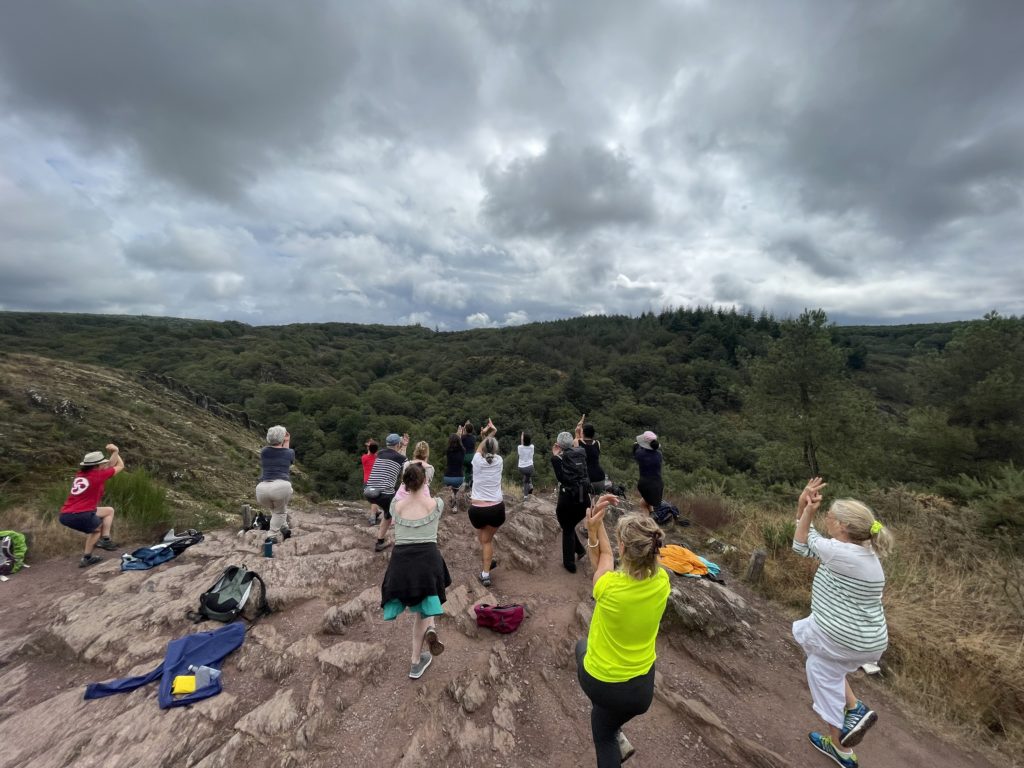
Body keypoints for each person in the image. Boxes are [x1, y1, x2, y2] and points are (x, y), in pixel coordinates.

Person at [793, 478, 893, 768]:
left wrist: (806, 510)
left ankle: (840, 748)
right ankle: (854, 707)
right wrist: (803, 507)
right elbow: (803, 546)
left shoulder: (839, 552)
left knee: (819, 671)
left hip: (840, 637)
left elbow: (801, 541)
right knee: (829, 669)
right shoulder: (861, 552)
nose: (827, 518)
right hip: (866, 640)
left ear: (844, 527)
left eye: (831, 516)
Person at [576, 495, 671, 767]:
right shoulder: (662, 582)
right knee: (607, 719)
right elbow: (606, 557)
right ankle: (614, 727)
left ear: (624, 549)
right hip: (641, 690)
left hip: (604, 682)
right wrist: (598, 529)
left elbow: (603, 557)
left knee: (581, 648)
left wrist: (595, 526)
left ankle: (611, 732)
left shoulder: (608, 589)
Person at [380, 463, 451, 679]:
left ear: (405, 483)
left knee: (423, 608)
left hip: (401, 564)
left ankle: (429, 628)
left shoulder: (396, 506)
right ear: (426, 481)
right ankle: (415, 662)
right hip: (428, 565)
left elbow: (398, 496)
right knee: (423, 609)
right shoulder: (436, 504)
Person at [59, 444, 124, 567]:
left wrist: (114, 453)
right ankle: (102, 543)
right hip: (80, 514)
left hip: (66, 514)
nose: (105, 465)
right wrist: (116, 451)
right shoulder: (98, 475)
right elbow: (119, 466)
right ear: (97, 466)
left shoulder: (82, 474)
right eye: (102, 464)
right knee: (96, 531)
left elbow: (109, 465)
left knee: (108, 511)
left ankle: (95, 550)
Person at [469, 419, 504, 587]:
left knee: (484, 539)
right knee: (487, 540)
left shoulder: (477, 461)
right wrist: (492, 434)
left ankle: (487, 566)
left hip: (476, 510)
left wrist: (488, 434)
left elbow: (480, 448)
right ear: (496, 449)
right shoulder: (499, 461)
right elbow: (487, 449)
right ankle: (486, 572)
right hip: (496, 509)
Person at [551, 431, 589, 572]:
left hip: (568, 499)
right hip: (583, 499)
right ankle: (579, 550)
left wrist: (555, 455)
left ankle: (569, 564)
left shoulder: (557, 459)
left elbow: (561, 478)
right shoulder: (581, 454)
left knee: (567, 528)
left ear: (558, 445)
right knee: (569, 525)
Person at [369, 433, 410, 552]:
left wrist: (402, 445)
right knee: (395, 512)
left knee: (388, 512)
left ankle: (380, 540)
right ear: (398, 444)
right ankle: (383, 542)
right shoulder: (401, 458)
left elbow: (394, 455)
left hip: (368, 491)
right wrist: (404, 446)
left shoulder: (380, 453)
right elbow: (406, 466)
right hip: (384, 492)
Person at [256, 426, 294, 541]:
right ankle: (272, 535)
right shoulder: (290, 453)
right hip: (281, 487)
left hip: (262, 489)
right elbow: (285, 454)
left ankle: (284, 528)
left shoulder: (264, 452)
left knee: (277, 508)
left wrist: (284, 440)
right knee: (280, 511)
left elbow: (280, 451)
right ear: (282, 439)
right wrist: (287, 441)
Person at [632, 431, 662, 516]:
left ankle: (647, 523)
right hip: (658, 484)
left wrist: (636, 446)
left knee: (643, 504)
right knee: (647, 501)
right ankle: (652, 514)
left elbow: (636, 452)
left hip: (646, 484)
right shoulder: (659, 455)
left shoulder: (640, 454)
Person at [579, 420, 609, 494]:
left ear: (583, 433)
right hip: (600, 478)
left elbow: (577, 440)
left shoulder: (578, 443)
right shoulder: (597, 443)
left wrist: (577, 430)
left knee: (585, 502)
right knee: (593, 501)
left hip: (587, 478)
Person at [442, 431, 466, 511]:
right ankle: (455, 499)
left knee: (453, 487)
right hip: (459, 477)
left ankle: (453, 497)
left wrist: (458, 433)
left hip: (447, 477)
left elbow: (453, 444)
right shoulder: (463, 451)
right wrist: (460, 434)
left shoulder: (448, 451)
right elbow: (460, 444)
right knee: (461, 484)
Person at [362, 439, 380, 525]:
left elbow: (370, 453)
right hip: (377, 480)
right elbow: (375, 453)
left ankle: (373, 517)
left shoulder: (364, 458)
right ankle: (376, 512)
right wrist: (372, 446)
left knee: (373, 499)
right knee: (374, 499)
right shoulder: (378, 458)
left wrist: (370, 447)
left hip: (367, 481)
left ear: (368, 448)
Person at [518, 432, 535, 499]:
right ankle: (530, 487)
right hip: (530, 467)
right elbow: (525, 443)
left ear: (523, 440)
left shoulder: (519, 447)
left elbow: (522, 444)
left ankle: (526, 496)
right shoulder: (532, 447)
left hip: (521, 468)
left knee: (526, 480)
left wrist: (522, 436)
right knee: (527, 477)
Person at [461, 421, 477, 490]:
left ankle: (464, 482)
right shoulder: (474, 438)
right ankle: (469, 482)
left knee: (464, 469)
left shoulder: (463, 437)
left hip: (464, 456)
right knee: (469, 470)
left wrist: (464, 428)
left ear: (465, 430)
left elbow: (460, 438)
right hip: (472, 456)